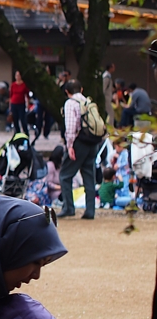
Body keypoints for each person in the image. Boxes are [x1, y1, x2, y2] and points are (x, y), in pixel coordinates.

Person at [58, 80, 101, 220]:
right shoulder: (88, 102)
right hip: (93, 142)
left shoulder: (70, 103)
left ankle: (68, 207)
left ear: (67, 92)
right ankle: (90, 210)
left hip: (79, 142)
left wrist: (69, 146)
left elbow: (71, 127)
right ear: (81, 89)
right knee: (89, 175)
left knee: (65, 175)